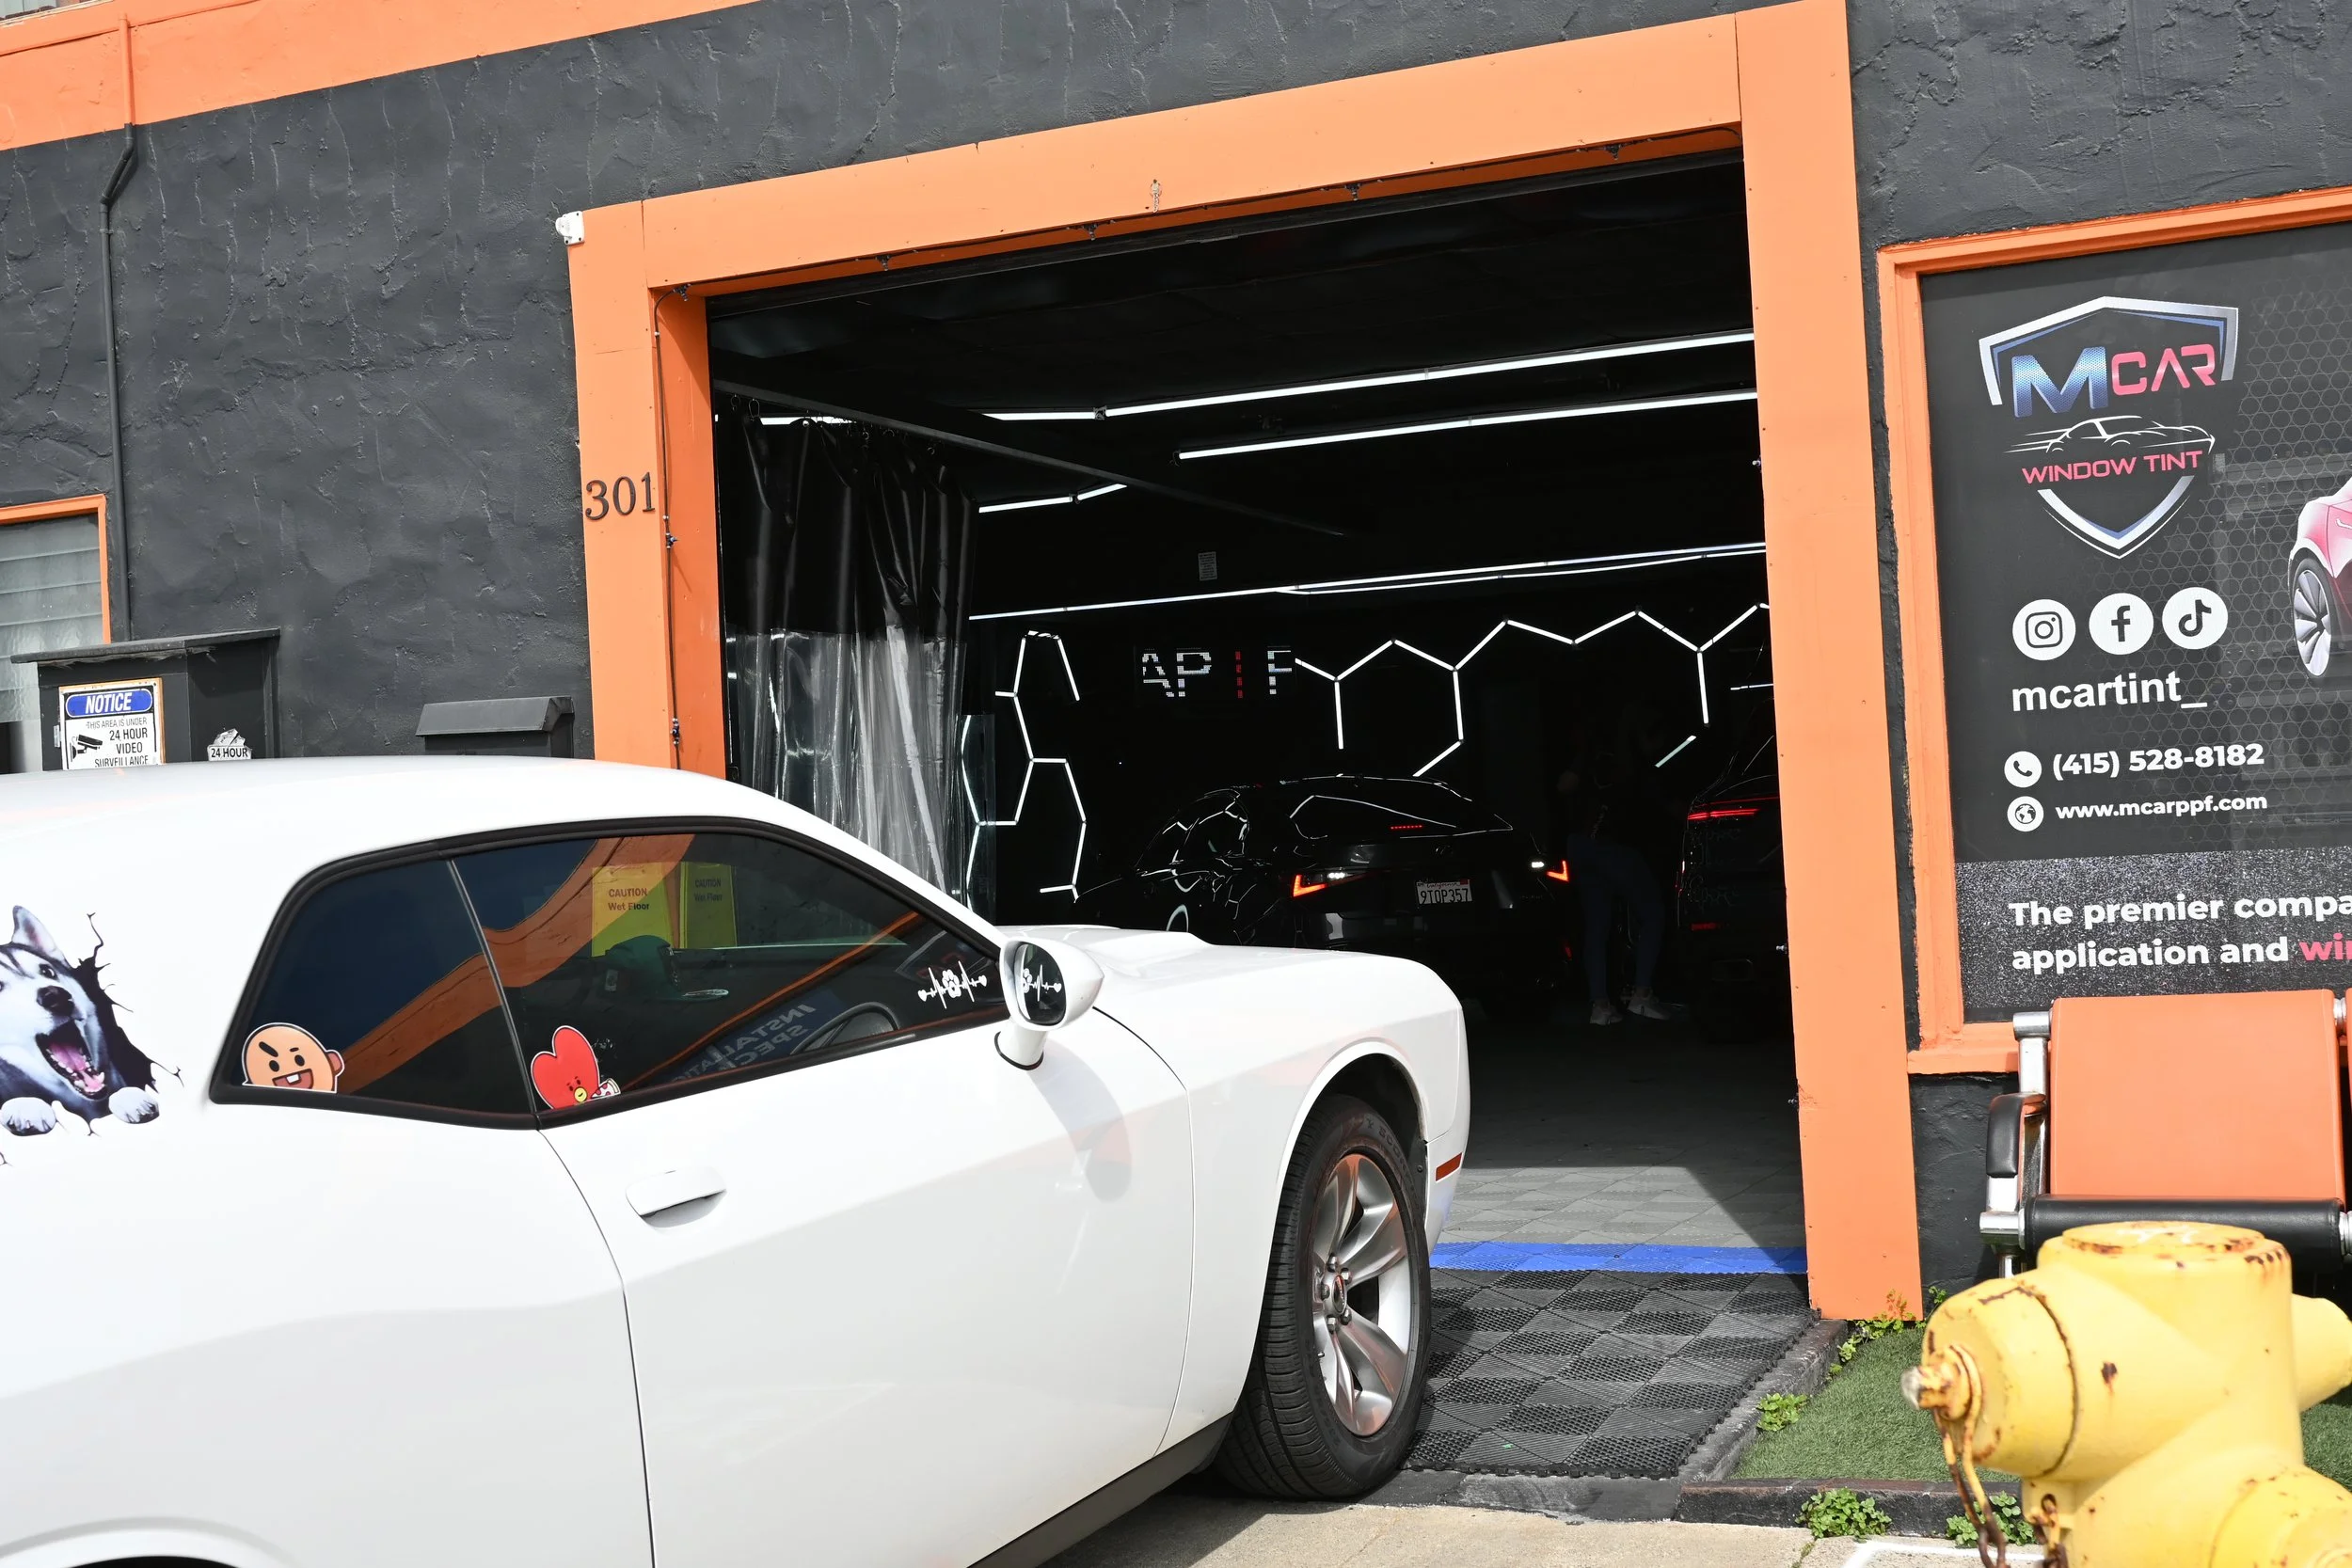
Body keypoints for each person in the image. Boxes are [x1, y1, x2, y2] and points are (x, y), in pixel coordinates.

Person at [1555, 758, 1670, 1024]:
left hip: (1581, 845)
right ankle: (1641, 994)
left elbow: (1564, 786)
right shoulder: (1620, 749)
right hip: (1612, 845)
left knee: (1596, 927)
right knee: (1653, 914)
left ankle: (1600, 1005)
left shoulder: (1587, 749)